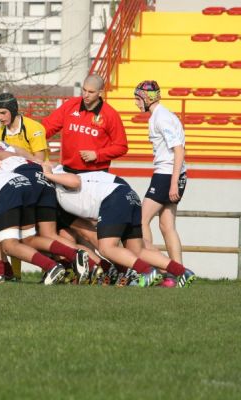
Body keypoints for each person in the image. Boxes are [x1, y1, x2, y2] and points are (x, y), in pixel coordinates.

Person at [42, 163, 196, 288]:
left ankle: (147, 272)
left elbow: (75, 181)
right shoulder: (59, 193)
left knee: (106, 247)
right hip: (129, 196)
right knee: (137, 250)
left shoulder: (56, 181)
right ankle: (182, 271)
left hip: (114, 199)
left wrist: (48, 174)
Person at [134, 80, 187, 263]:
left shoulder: (161, 117)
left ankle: (152, 264)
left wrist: (173, 184)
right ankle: (179, 272)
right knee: (167, 226)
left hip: (166, 175)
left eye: (138, 98)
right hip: (173, 174)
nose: (136, 102)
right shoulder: (162, 115)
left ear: (147, 98)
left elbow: (179, 150)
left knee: (141, 220)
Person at [42, 74, 128, 173]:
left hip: (96, 173)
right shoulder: (70, 105)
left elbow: (121, 147)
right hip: (67, 170)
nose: (86, 95)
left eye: (91, 92)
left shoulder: (110, 114)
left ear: (100, 93)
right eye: (84, 90)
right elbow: (47, 127)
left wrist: (97, 155)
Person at [0, 93, 49, 163]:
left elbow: (39, 160)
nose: (0, 117)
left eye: (3, 113)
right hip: (12, 168)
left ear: (13, 111)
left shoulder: (34, 128)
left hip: (35, 168)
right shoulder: (0, 131)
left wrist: (19, 152)